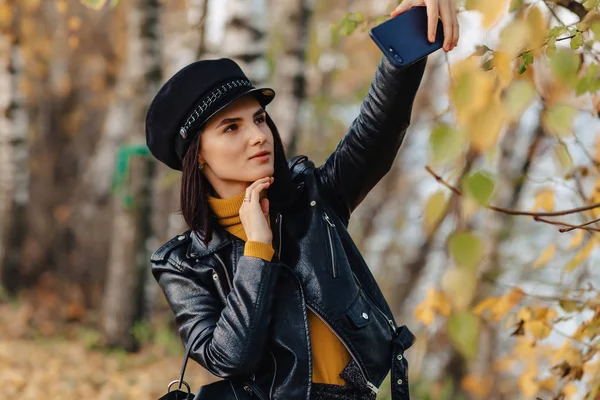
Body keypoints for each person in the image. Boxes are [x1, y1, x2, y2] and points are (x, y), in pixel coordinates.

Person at [145, 1, 459, 399]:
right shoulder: (182, 264)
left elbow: (377, 130)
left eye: (259, 119)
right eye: (231, 127)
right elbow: (227, 358)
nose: (258, 136)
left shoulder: (312, 199)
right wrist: (258, 251)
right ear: (198, 154)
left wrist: (410, 36)